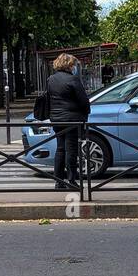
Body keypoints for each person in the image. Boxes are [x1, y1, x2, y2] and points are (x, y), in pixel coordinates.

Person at [45, 52, 91, 190]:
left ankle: (58, 181)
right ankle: (71, 180)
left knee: (60, 149)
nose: (74, 67)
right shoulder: (73, 80)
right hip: (72, 119)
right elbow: (83, 101)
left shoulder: (50, 79)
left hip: (56, 119)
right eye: (73, 65)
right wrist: (85, 111)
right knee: (71, 150)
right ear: (69, 65)